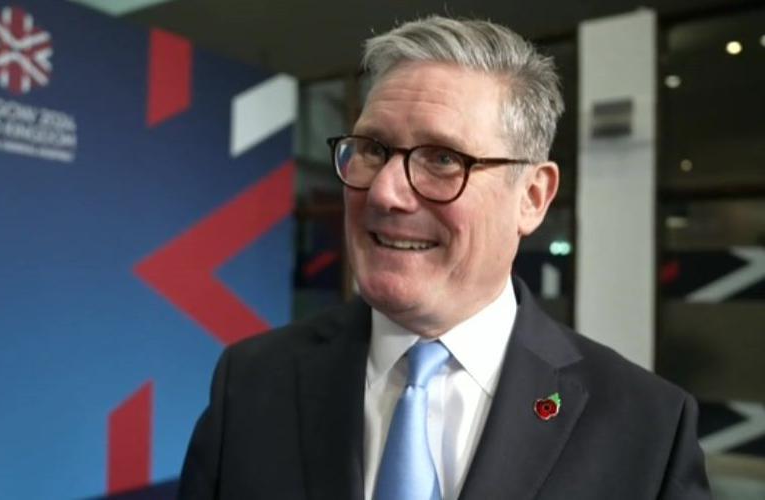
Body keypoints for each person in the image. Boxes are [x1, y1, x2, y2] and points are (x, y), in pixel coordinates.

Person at [177, 16, 711, 500]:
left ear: (532, 197)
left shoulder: (648, 427)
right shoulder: (251, 382)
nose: (385, 192)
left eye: (441, 158)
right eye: (372, 149)